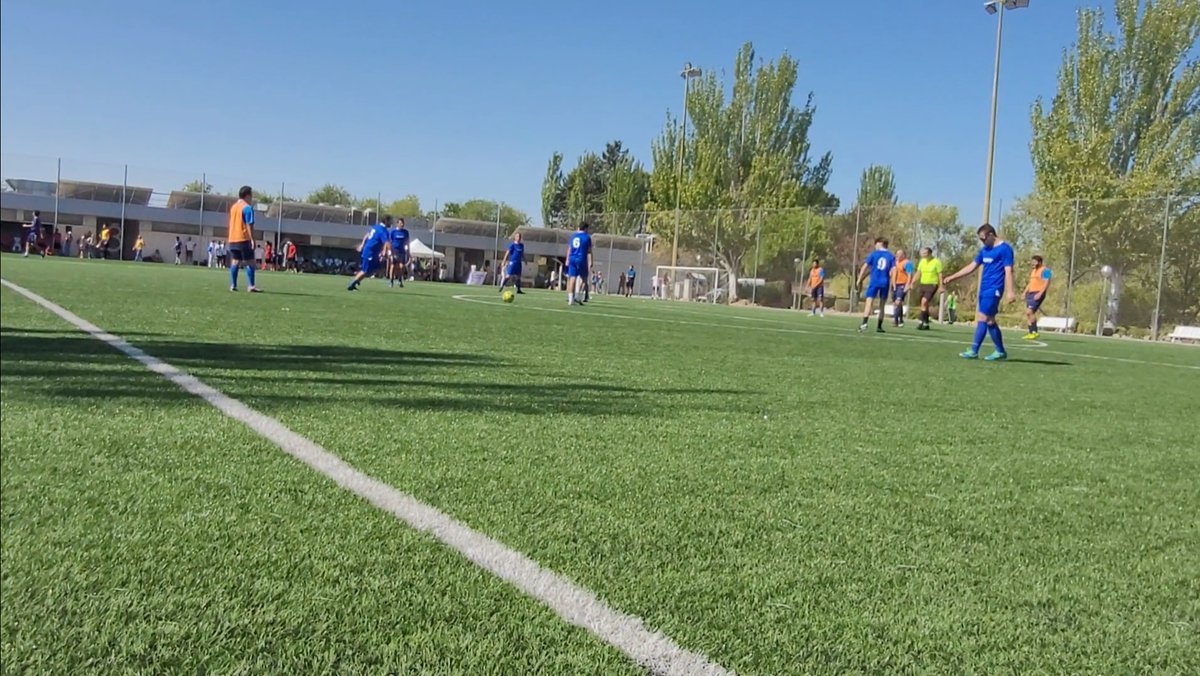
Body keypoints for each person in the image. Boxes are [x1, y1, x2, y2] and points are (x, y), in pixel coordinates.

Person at [943, 223, 1015, 360]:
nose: (982, 242)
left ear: (991, 235)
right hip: (984, 288)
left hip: (994, 289)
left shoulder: (1005, 249)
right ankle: (1000, 351)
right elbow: (972, 266)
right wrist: (952, 277)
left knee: (982, 317)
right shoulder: (985, 250)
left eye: (983, 239)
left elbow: (1008, 271)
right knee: (989, 320)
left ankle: (974, 350)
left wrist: (1010, 291)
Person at [856, 238, 896, 333]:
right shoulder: (891, 256)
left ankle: (864, 324)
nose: (875, 246)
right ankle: (879, 326)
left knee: (869, 302)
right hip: (885, 282)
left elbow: (864, 267)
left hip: (874, 281)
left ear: (880, 244)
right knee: (882, 305)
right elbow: (894, 270)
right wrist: (893, 282)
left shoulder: (874, 254)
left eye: (876, 244)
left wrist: (859, 279)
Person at [227, 186, 261, 292]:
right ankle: (251, 285)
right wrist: (252, 239)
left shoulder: (233, 207)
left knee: (235, 261)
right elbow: (249, 224)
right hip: (243, 238)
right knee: (250, 261)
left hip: (232, 239)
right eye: (251, 195)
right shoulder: (247, 207)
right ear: (247, 195)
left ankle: (233, 285)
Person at [347, 218, 392, 291]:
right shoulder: (383, 230)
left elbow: (367, 235)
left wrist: (362, 244)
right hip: (370, 251)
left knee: (370, 270)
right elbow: (387, 243)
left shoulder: (376, 227)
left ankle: (356, 280)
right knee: (365, 270)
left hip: (370, 251)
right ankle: (352, 284)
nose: (391, 223)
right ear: (386, 221)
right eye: (390, 221)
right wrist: (391, 252)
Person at [1022, 255, 1053, 339]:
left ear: (1039, 262)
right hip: (1031, 293)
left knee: (1029, 311)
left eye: (1035, 262)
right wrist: (1025, 292)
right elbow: (1030, 283)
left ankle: (1035, 332)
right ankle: (1030, 332)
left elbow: (1047, 282)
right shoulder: (1033, 271)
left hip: (1038, 293)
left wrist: (1040, 293)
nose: (1033, 263)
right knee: (1028, 313)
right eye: (1032, 262)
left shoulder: (1045, 270)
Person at [913, 247, 944, 330]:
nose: (923, 255)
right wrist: (912, 283)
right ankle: (926, 323)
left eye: (925, 253)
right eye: (922, 253)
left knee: (924, 301)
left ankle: (920, 322)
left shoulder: (936, 262)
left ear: (930, 254)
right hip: (923, 284)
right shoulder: (922, 261)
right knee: (924, 304)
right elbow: (918, 273)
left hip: (932, 284)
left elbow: (940, 274)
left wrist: (941, 286)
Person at [565, 222, 593, 305]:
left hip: (572, 258)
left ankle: (571, 299)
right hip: (581, 258)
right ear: (585, 229)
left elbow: (569, 248)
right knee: (584, 278)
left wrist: (567, 259)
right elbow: (589, 251)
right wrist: (591, 261)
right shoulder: (587, 237)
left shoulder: (573, 236)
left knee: (572, 278)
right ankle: (578, 296)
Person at [891, 249, 914, 327]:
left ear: (904, 255)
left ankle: (895, 321)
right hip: (895, 284)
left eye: (900, 254)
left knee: (898, 302)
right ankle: (900, 320)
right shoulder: (895, 263)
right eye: (897, 254)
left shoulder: (907, 263)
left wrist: (908, 285)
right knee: (896, 303)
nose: (898, 256)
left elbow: (909, 275)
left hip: (902, 284)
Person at [388, 217, 410, 288]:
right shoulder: (393, 232)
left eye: (403, 223)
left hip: (402, 251)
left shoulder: (406, 232)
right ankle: (391, 281)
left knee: (402, 266)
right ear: (397, 224)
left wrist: (408, 252)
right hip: (394, 251)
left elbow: (407, 242)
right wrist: (389, 251)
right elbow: (389, 242)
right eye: (400, 223)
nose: (402, 224)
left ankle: (400, 280)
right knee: (393, 266)